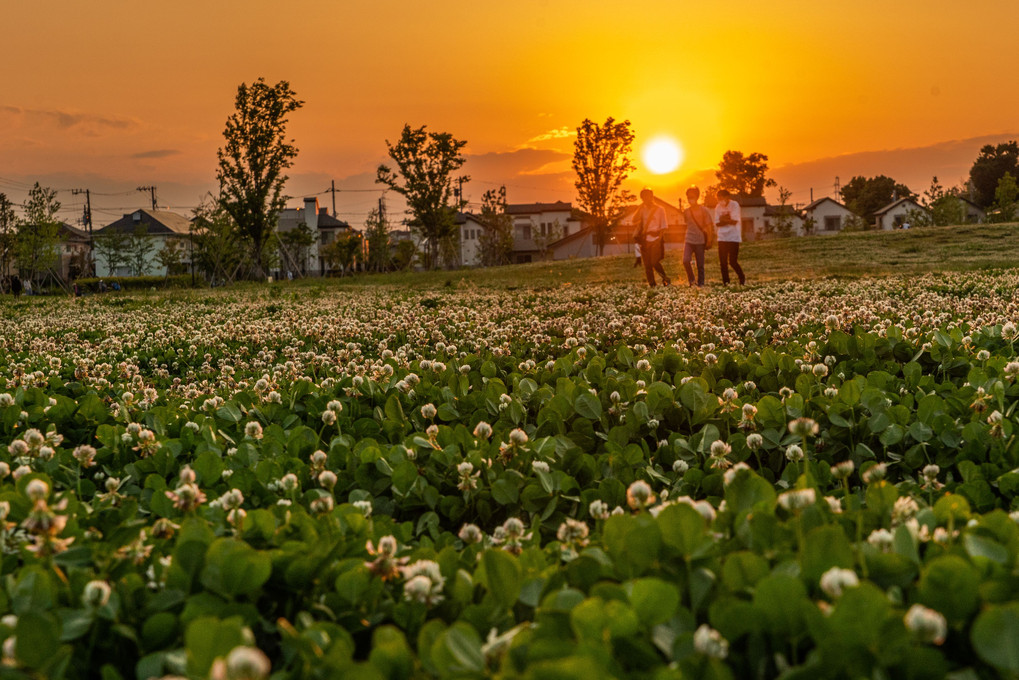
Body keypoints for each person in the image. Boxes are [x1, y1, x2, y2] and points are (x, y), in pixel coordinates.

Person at [632, 187, 671, 287]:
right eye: (644, 198)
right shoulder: (642, 209)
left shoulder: (660, 209)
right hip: (644, 239)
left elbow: (663, 226)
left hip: (656, 238)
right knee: (647, 265)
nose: (646, 199)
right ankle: (652, 284)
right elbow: (634, 220)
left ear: (652, 196)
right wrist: (640, 207)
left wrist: (660, 240)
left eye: (648, 196)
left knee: (654, 261)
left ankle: (665, 278)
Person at [682, 187, 714, 287]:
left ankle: (701, 284)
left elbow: (709, 226)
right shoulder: (686, 211)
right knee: (685, 260)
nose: (690, 199)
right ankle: (692, 281)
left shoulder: (704, 210)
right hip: (689, 239)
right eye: (688, 197)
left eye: (692, 197)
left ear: (697, 197)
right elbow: (687, 223)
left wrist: (709, 239)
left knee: (700, 264)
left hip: (700, 240)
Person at [714, 189, 745, 285]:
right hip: (722, 237)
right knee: (723, 263)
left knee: (732, 261)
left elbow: (734, 221)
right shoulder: (718, 207)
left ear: (727, 197)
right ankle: (726, 283)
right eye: (718, 198)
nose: (719, 200)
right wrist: (726, 219)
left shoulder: (734, 205)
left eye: (721, 198)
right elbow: (717, 223)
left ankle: (742, 278)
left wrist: (723, 219)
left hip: (733, 237)